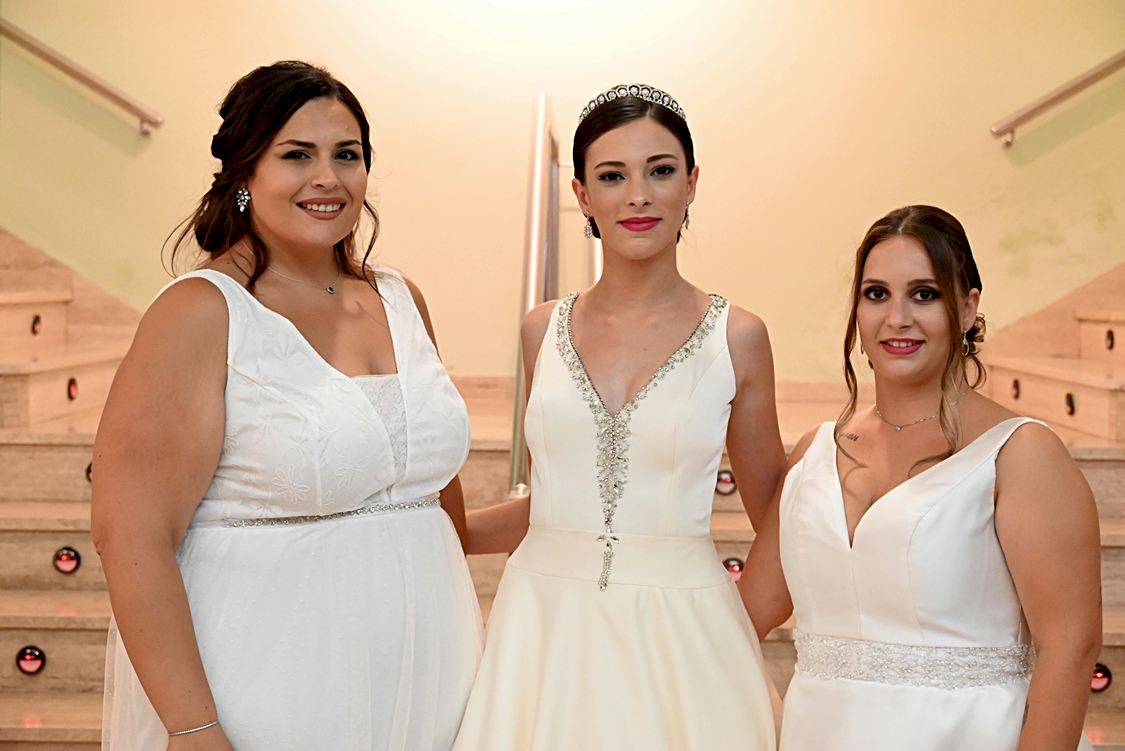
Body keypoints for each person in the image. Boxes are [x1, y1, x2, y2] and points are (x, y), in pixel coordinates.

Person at [91, 61, 481, 750]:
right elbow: (130, 533)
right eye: (297, 155)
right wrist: (192, 726)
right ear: (244, 172)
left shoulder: (400, 298)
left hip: (432, 672)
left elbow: (427, 501)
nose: (327, 177)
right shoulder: (201, 313)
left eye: (347, 155)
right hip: (272, 677)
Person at [454, 84, 783, 750]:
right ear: (582, 194)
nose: (637, 195)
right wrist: (435, 528)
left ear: (691, 184)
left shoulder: (737, 337)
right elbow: (560, 504)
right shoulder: (540, 329)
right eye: (612, 176)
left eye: (659, 171)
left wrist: (734, 621)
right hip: (541, 636)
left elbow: (778, 510)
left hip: (685, 640)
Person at [741, 204, 1101, 750]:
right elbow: (750, 611)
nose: (897, 318)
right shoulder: (813, 454)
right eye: (876, 294)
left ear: (968, 307)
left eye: (924, 294)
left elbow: (1070, 650)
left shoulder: (1021, 454)